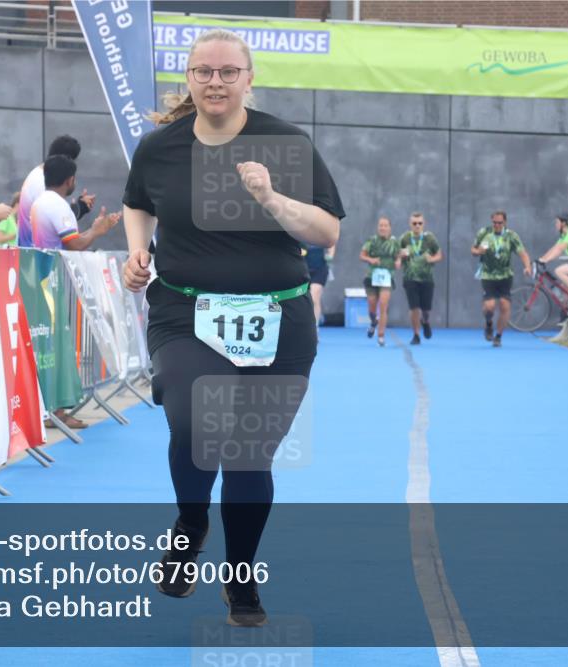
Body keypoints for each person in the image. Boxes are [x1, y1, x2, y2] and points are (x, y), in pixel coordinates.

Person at [122, 28, 344, 627]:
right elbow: (137, 201)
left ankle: (240, 577)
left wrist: (272, 199)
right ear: (189, 78)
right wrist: (139, 250)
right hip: (185, 314)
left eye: (227, 72)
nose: (215, 82)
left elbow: (327, 231)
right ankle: (192, 522)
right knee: (196, 420)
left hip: (279, 319)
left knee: (249, 458)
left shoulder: (286, 143)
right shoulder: (159, 148)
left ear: (249, 79)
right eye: (203, 71)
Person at [32, 154, 119, 431]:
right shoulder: (56, 205)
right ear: (70, 180)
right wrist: (97, 230)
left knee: (50, 347)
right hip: (51, 282)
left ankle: (53, 409)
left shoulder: (42, 202)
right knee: (56, 347)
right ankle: (56, 410)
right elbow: (75, 244)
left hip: (44, 280)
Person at [17, 134, 96, 248]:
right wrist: (95, 229)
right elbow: (52, 222)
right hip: (37, 253)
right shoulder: (42, 182)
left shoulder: (39, 175)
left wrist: (80, 207)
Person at [470, 210, 531, 348]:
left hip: (505, 275)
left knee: (504, 305)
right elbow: (472, 250)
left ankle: (498, 336)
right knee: (490, 306)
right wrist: (478, 251)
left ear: (505, 222)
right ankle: (488, 323)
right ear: (491, 221)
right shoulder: (484, 233)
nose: (497, 225)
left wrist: (527, 266)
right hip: (488, 275)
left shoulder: (511, 235)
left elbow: (522, 252)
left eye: (500, 223)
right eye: (494, 223)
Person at [395, 212, 443, 345]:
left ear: (424, 224)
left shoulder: (429, 238)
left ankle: (425, 321)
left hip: (427, 278)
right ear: (410, 224)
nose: (417, 226)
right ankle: (416, 334)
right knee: (414, 308)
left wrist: (432, 259)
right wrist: (399, 258)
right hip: (410, 277)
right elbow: (397, 254)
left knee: (426, 310)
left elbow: (439, 254)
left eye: (420, 223)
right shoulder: (404, 238)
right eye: (414, 223)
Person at [359, 216, 400, 346]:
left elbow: (398, 256)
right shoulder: (372, 240)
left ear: (390, 228)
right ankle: (373, 322)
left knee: (383, 305)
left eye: (385, 225)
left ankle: (381, 336)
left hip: (387, 277)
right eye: (381, 225)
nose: (383, 228)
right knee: (372, 305)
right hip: (372, 276)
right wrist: (371, 260)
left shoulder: (394, 242)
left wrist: (398, 261)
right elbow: (362, 255)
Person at [303, 241, 334, 330]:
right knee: (305, 300)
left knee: (314, 297)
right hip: (303, 270)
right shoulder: (301, 235)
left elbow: (331, 242)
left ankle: (315, 327)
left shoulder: (318, 235)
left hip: (320, 270)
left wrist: (331, 255)